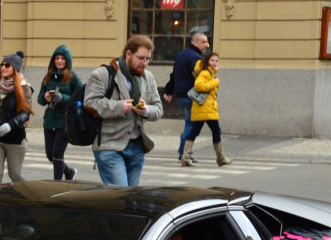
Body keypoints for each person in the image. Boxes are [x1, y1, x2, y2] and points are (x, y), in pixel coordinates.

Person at [83, 35, 163, 187]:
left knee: (131, 200)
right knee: (121, 197)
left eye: (148, 59)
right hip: (110, 144)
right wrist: (119, 107)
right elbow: (90, 103)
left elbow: (158, 109)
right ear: (128, 54)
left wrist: (146, 110)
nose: (145, 63)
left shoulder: (148, 77)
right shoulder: (103, 74)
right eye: (141, 58)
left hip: (137, 147)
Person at [0, 51, 33, 185]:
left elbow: (25, 113)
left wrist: (10, 125)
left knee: (15, 175)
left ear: (15, 68)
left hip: (15, 140)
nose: (3, 67)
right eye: (2, 65)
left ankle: (30, 197)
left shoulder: (24, 88)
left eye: (7, 65)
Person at [37, 44, 82, 180]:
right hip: (50, 120)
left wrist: (63, 98)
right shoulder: (48, 77)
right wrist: (45, 97)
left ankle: (57, 184)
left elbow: (80, 99)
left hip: (65, 121)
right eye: (57, 58)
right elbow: (39, 99)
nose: (60, 61)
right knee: (50, 155)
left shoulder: (73, 77)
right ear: (53, 60)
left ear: (67, 61)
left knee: (57, 155)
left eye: (63, 58)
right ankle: (69, 172)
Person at [164, 32, 209, 164]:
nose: (206, 45)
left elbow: (173, 74)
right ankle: (184, 154)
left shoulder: (181, 55)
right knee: (191, 126)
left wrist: (169, 91)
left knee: (189, 125)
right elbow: (200, 78)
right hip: (191, 96)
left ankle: (183, 153)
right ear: (195, 42)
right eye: (204, 42)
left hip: (181, 96)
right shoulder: (196, 58)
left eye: (207, 42)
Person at [181, 51, 231, 167]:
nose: (214, 63)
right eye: (212, 60)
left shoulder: (210, 73)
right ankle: (221, 158)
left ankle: (185, 158)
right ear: (207, 61)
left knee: (194, 132)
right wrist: (214, 82)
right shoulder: (205, 73)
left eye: (216, 61)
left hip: (204, 108)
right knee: (216, 131)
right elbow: (198, 86)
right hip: (206, 109)